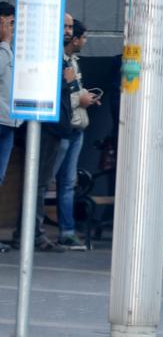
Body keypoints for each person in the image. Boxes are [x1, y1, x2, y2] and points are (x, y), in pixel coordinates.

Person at [13, 14, 75, 252]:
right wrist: (67, 82)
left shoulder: (59, 56)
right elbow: (43, 88)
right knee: (37, 183)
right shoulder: (48, 57)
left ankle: (30, 232)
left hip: (55, 127)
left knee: (40, 182)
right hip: (47, 127)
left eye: (70, 27)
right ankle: (31, 233)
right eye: (65, 26)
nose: (68, 31)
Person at [53, 19, 99, 249]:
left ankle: (67, 230)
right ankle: (32, 228)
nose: (84, 41)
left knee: (69, 182)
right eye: (83, 37)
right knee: (45, 181)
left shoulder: (73, 62)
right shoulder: (59, 61)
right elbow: (58, 95)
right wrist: (79, 99)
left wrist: (84, 96)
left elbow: (73, 89)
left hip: (76, 129)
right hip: (62, 128)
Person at [0, 2, 20, 253]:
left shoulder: (10, 50)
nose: (13, 29)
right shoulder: (4, 49)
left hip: (9, 123)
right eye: (9, 23)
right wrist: (5, 42)